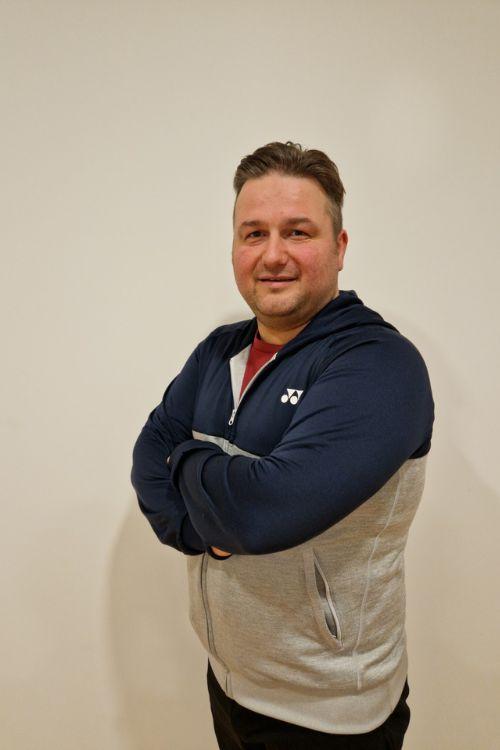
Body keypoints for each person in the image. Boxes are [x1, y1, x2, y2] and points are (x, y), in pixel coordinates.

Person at [131, 141, 435, 749]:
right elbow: (147, 459)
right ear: (234, 247)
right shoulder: (219, 350)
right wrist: (203, 532)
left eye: (298, 232)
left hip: (331, 713)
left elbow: (263, 510)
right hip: (230, 680)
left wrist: (188, 458)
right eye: (254, 234)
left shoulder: (379, 365)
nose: (273, 255)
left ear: (339, 248)